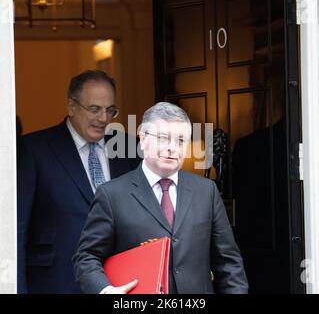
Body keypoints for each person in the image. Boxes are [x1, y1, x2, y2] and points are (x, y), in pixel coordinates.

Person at [73, 101, 249, 294]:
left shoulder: (206, 191)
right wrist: (106, 290)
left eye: (181, 140)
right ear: (143, 138)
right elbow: (86, 256)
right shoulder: (112, 195)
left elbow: (229, 264)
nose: (172, 148)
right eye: (164, 138)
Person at [17, 70, 141, 294]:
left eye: (110, 110)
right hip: (56, 282)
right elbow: (18, 227)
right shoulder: (35, 149)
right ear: (71, 106)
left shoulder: (130, 149)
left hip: (121, 283)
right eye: (94, 109)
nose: (103, 118)